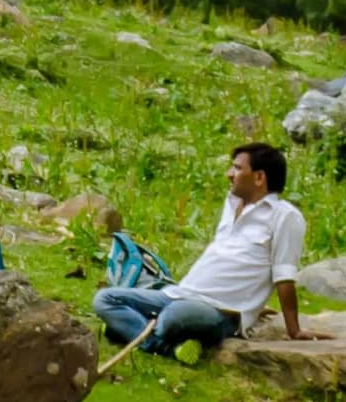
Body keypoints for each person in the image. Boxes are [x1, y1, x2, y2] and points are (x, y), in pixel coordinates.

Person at [93, 141, 311, 361]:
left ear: (259, 177)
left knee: (173, 318)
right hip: (179, 293)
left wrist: (293, 330)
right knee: (105, 299)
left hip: (221, 310)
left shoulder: (285, 217)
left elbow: (284, 277)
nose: (229, 174)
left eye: (237, 168)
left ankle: (125, 330)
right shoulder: (232, 204)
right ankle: (161, 346)